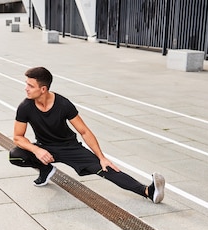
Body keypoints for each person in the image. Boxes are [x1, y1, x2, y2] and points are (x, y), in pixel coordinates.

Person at [9, 66, 165, 203]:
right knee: (16, 155)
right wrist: (37, 150)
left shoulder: (63, 104)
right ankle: (45, 169)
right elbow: (18, 137)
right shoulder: (25, 106)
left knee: (105, 168)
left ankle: (147, 191)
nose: (26, 88)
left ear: (43, 89)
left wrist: (101, 157)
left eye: (30, 85)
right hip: (45, 148)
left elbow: (84, 131)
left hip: (70, 148)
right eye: (26, 84)